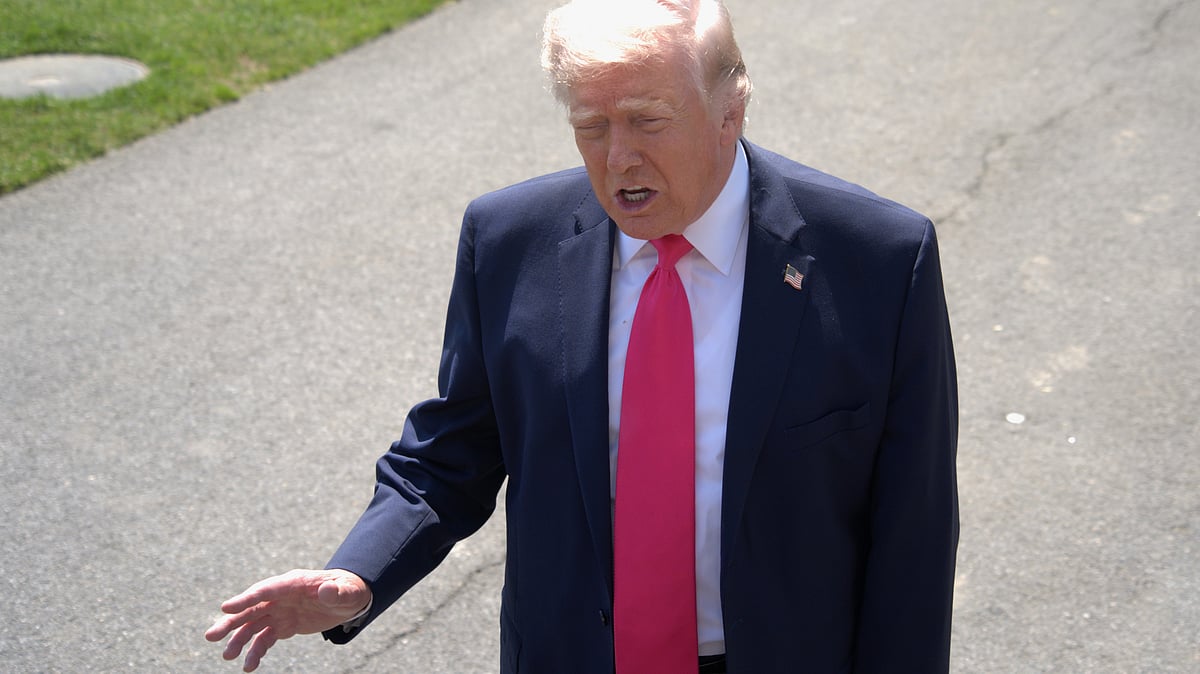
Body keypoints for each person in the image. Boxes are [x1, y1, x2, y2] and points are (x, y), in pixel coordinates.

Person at [205, 0, 959, 672]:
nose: (618, 158)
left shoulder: (879, 261)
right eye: (590, 128)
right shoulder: (507, 241)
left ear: (730, 110)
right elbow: (456, 448)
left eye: (647, 121)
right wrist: (362, 575)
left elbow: (913, 537)